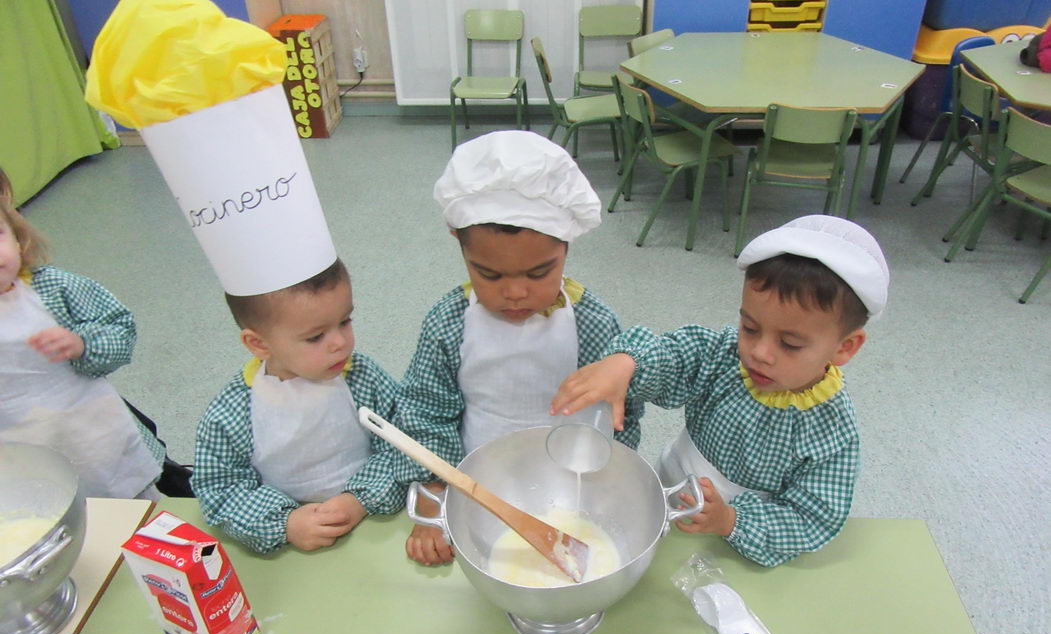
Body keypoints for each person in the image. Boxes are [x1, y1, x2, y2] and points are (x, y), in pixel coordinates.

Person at [551, 215, 889, 567]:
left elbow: (810, 517)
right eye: (750, 327)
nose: (759, 352)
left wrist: (729, 520)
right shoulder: (725, 356)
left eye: (789, 344)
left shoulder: (832, 430)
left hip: (738, 542)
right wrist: (627, 362)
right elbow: (676, 356)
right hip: (669, 491)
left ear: (845, 347)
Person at [394, 130, 643, 566]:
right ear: (458, 243)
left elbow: (624, 412)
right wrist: (435, 495)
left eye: (538, 273)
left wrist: (616, 476)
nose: (514, 292)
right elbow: (425, 414)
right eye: (489, 275)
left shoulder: (594, 322)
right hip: (478, 487)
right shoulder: (448, 323)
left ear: (566, 247)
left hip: (580, 489)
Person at [192, 259, 405, 553]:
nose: (340, 343)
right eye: (316, 337)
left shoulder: (361, 377)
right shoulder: (231, 414)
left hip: (376, 521)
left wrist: (359, 499)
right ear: (259, 344)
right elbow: (220, 489)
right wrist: (285, 523)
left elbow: (405, 439)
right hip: (291, 546)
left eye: (345, 321)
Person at [0, 200, 165, 498]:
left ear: (17, 237)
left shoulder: (53, 288)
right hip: (22, 458)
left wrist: (84, 344)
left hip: (97, 438)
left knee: (140, 514)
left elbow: (121, 329)